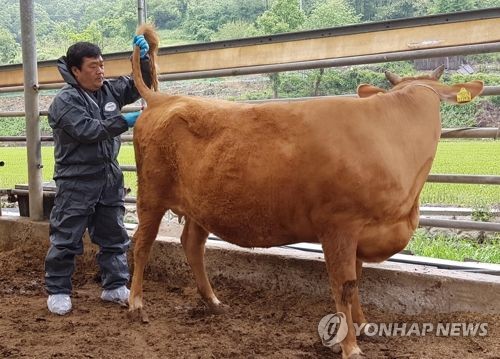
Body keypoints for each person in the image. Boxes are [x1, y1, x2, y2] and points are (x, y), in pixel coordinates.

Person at [44, 35, 152, 315]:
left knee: (113, 233)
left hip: (108, 177)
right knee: (66, 237)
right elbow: (87, 131)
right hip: (76, 180)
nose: (100, 71)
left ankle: (115, 285)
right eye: (93, 66)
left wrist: (144, 60)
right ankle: (57, 290)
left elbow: (141, 84)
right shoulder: (65, 101)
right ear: (75, 71)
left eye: (102, 65)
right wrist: (124, 121)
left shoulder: (109, 90)